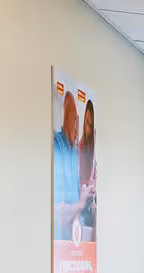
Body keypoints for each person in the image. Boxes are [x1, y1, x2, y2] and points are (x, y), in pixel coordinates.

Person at [52, 91, 89, 242]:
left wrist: (86, 190)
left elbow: (76, 186)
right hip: (62, 228)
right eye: (74, 121)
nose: (76, 128)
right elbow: (58, 208)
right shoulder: (57, 144)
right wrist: (80, 203)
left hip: (76, 225)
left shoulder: (74, 151)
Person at [77, 100, 97, 241]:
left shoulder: (94, 147)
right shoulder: (81, 146)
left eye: (91, 125)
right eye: (87, 124)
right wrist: (86, 186)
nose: (88, 129)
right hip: (83, 205)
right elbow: (79, 178)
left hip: (91, 204)